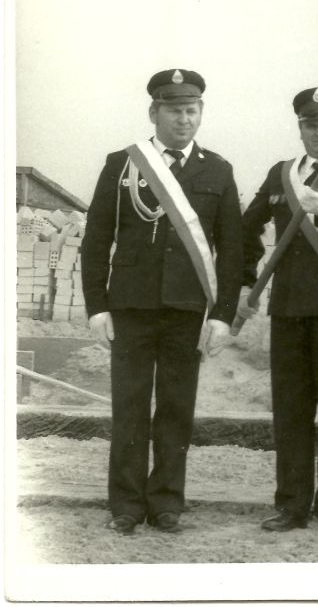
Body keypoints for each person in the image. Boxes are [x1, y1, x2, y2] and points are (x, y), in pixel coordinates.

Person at [81, 68, 242, 535]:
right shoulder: (122, 164)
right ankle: (126, 505)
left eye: (191, 110)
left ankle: (167, 500)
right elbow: (96, 241)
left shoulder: (218, 169)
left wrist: (223, 315)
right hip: (130, 306)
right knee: (129, 405)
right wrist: (96, 307)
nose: (183, 119)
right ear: (154, 113)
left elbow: (231, 251)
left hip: (186, 310)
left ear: (201, 113)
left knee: (176, 406)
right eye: (174, 110)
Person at [239, 86, 318, 532]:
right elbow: (246, 229)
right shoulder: (281, 174)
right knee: (290, 412)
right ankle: (291, 505)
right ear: (300, 128)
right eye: (311, 124)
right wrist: (246, 280)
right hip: (288, 309)